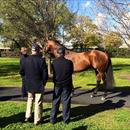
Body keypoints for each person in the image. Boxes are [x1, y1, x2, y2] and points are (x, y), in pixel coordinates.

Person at [20, 44, 48, 125]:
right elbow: (45, 74)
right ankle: (37, 120)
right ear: (38, 50)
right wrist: (44, 82)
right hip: (39, 84)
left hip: (29, 83)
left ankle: (28, 116)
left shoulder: (26, 59)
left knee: (30, 99)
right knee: (38, 102)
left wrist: (26, 79)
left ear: (32, 50)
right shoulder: (41, 60)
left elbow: (22, 72)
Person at [50, 47, 74, 124]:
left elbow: (53, 73)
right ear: (64, 53)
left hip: (57, 84)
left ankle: (53, 119)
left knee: (55, 101)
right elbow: (71, 72)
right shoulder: (69, 62)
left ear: (58, 53)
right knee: (66, 101)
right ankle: (66, 119)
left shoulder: (54, 62)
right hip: (66, 85)